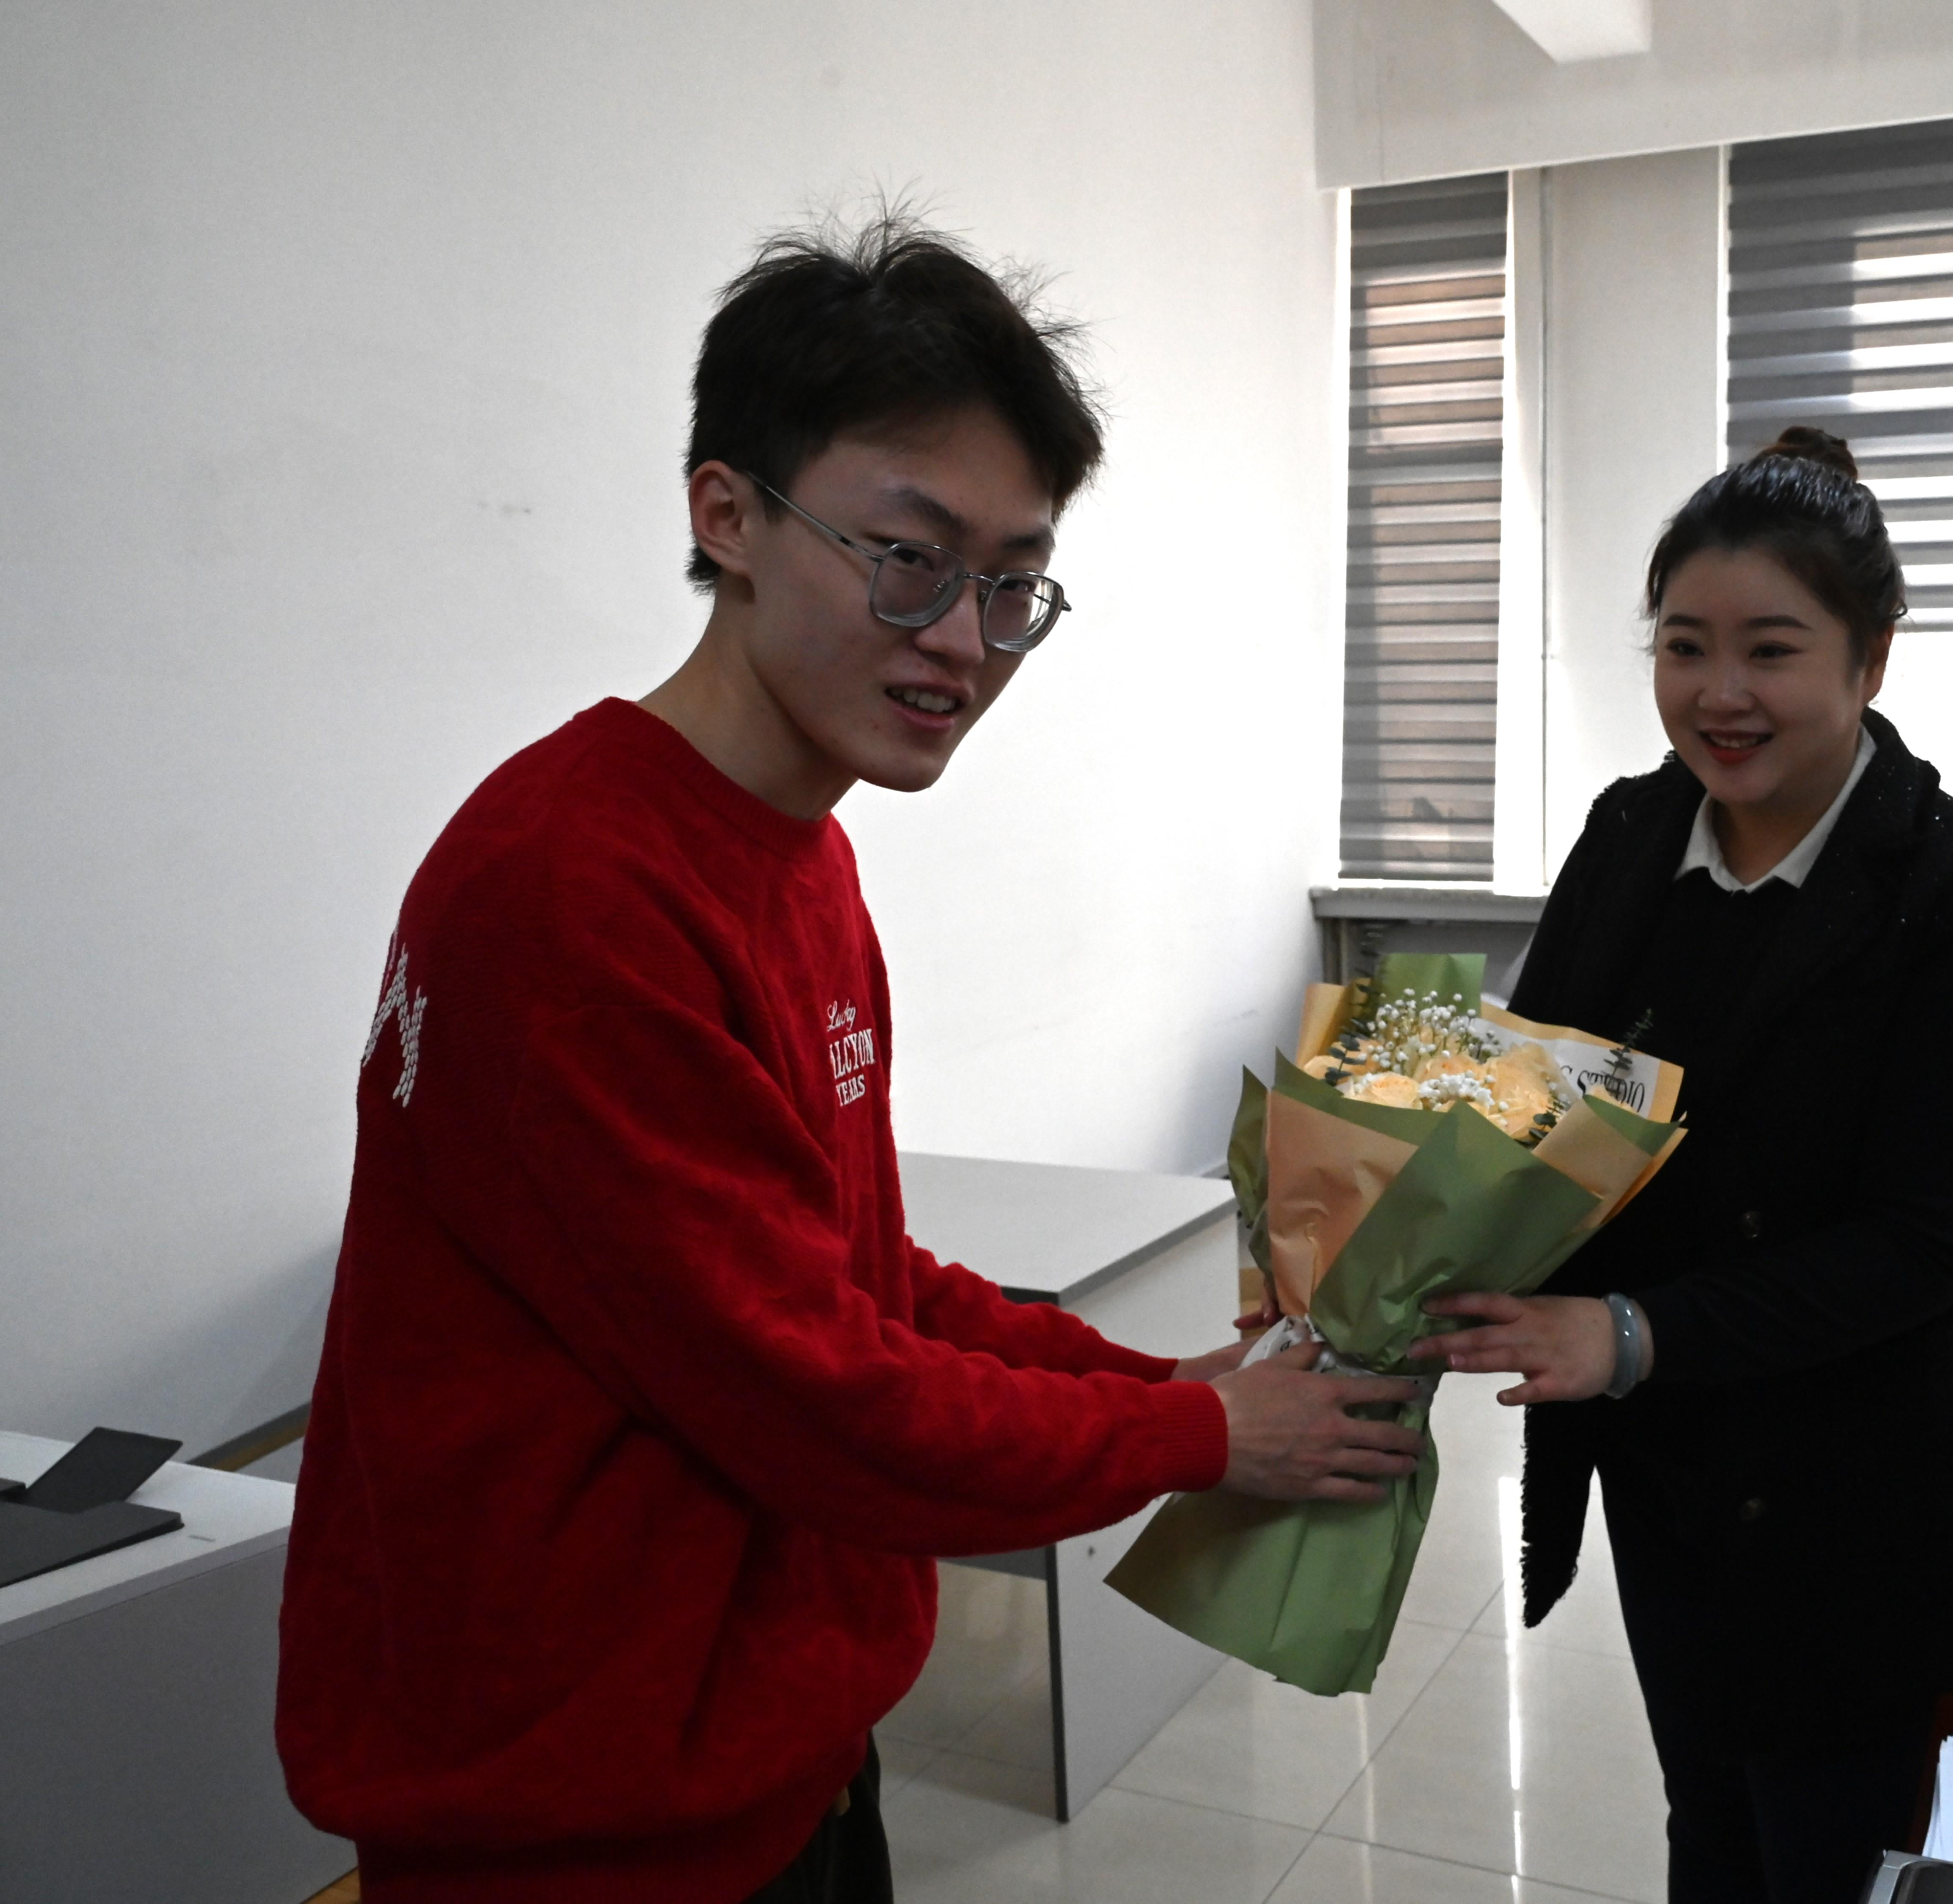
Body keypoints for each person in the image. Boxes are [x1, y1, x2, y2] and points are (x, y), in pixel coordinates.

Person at [274, 215, 1422, 1904]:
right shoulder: (572, 890)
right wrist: (1199, 1439)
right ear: (726, 514)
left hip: (775, 1742)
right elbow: (816, 1396)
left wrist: (1161, 1388)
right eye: (907, 556)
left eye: (1013, 582)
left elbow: (855, 1273)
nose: (963, 637)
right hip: (576, 1813)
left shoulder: (798, 848)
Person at [1419, 427, 1953, 1904]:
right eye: (1683, 646)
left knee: (1839, 1856)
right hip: (1680, 1478)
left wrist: (1632, 1333)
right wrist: (1359, 1241)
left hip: (1868, 1511)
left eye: (1771, 650)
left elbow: (1920, 1248)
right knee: (1710, 1828)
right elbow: (1532, 1089)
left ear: (1870, 660)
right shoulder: (1635, 831)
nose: (1720, 693)